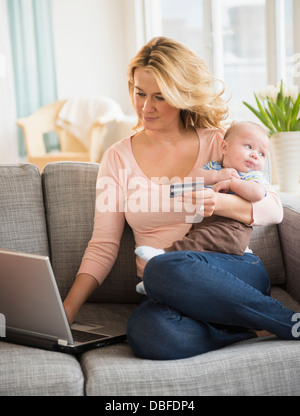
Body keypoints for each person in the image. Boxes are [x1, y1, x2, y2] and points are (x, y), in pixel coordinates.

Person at [63, 37, 296, 361]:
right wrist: (67, 310)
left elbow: (274, 209)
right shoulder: (116, 158)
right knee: (146, 332)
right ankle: (251, 327)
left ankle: (284, 321)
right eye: (139, 92)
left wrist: (224, 204)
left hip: (233, 271)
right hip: (168, 288)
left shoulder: (221, 143)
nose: (146, 107)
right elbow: (103, 244)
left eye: (160, 96)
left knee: (159, 266)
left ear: (182, 94)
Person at [135, 121, 270, 294]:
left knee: (197, 240)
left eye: (262, 154)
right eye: (249, 146)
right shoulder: (214, 167)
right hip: (204, 224)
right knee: (193, 250)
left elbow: (258, 193)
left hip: (232, 230)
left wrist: (232, 183)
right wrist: (216, 175)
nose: (255, 155)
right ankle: (156, 283)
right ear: (224, 147)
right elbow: (189, 181)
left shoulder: (251, 176)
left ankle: (163, 255)